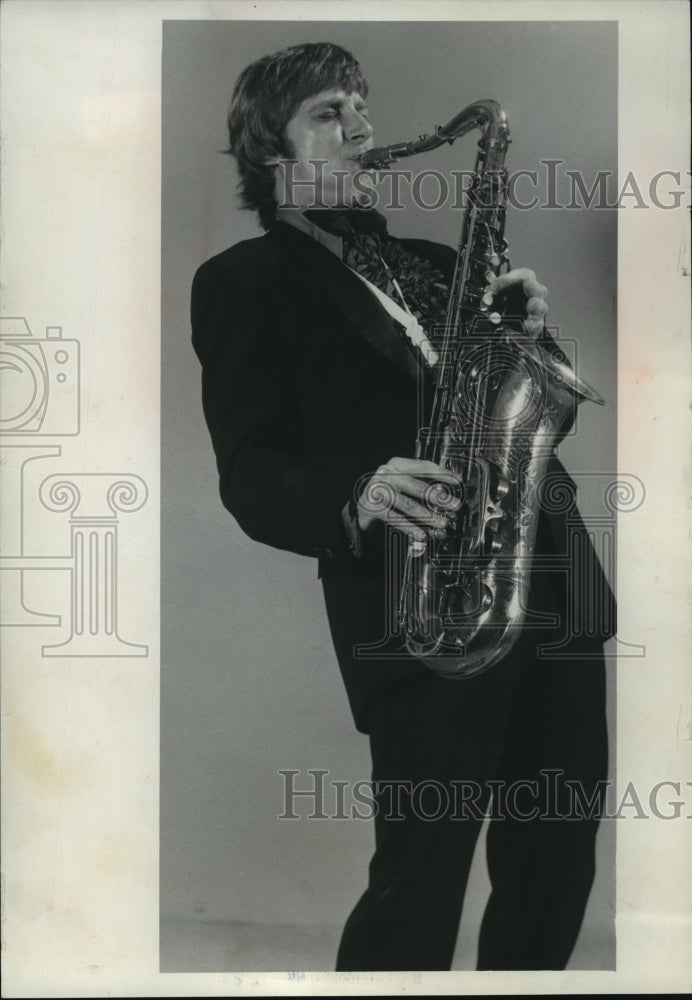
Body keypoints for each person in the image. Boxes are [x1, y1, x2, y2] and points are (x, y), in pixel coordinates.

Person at [191, 42, 615, 972]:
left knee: (555, 865)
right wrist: (358, 494)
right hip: (421, 605)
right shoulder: (242, 283)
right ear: (272, 153)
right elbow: (252, 470)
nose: (362, 128)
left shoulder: (439, 263)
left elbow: (523, 421)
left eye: (362, 106)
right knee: (420, 882)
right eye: (329, 113)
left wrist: (527, 340)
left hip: (550, 581)